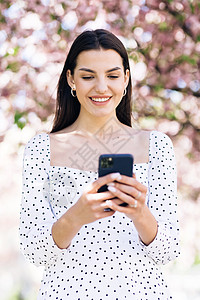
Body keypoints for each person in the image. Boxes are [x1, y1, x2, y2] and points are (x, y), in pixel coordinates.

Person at [19, 29, 180, 299]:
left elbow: (168, 252)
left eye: (113, 75)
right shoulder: (41, 149)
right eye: (88, 76)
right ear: (71, 78)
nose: (102, 87)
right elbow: (36, 252)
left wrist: (139, 212)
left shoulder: (157, 146)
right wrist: (76, 216)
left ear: (126, 79)